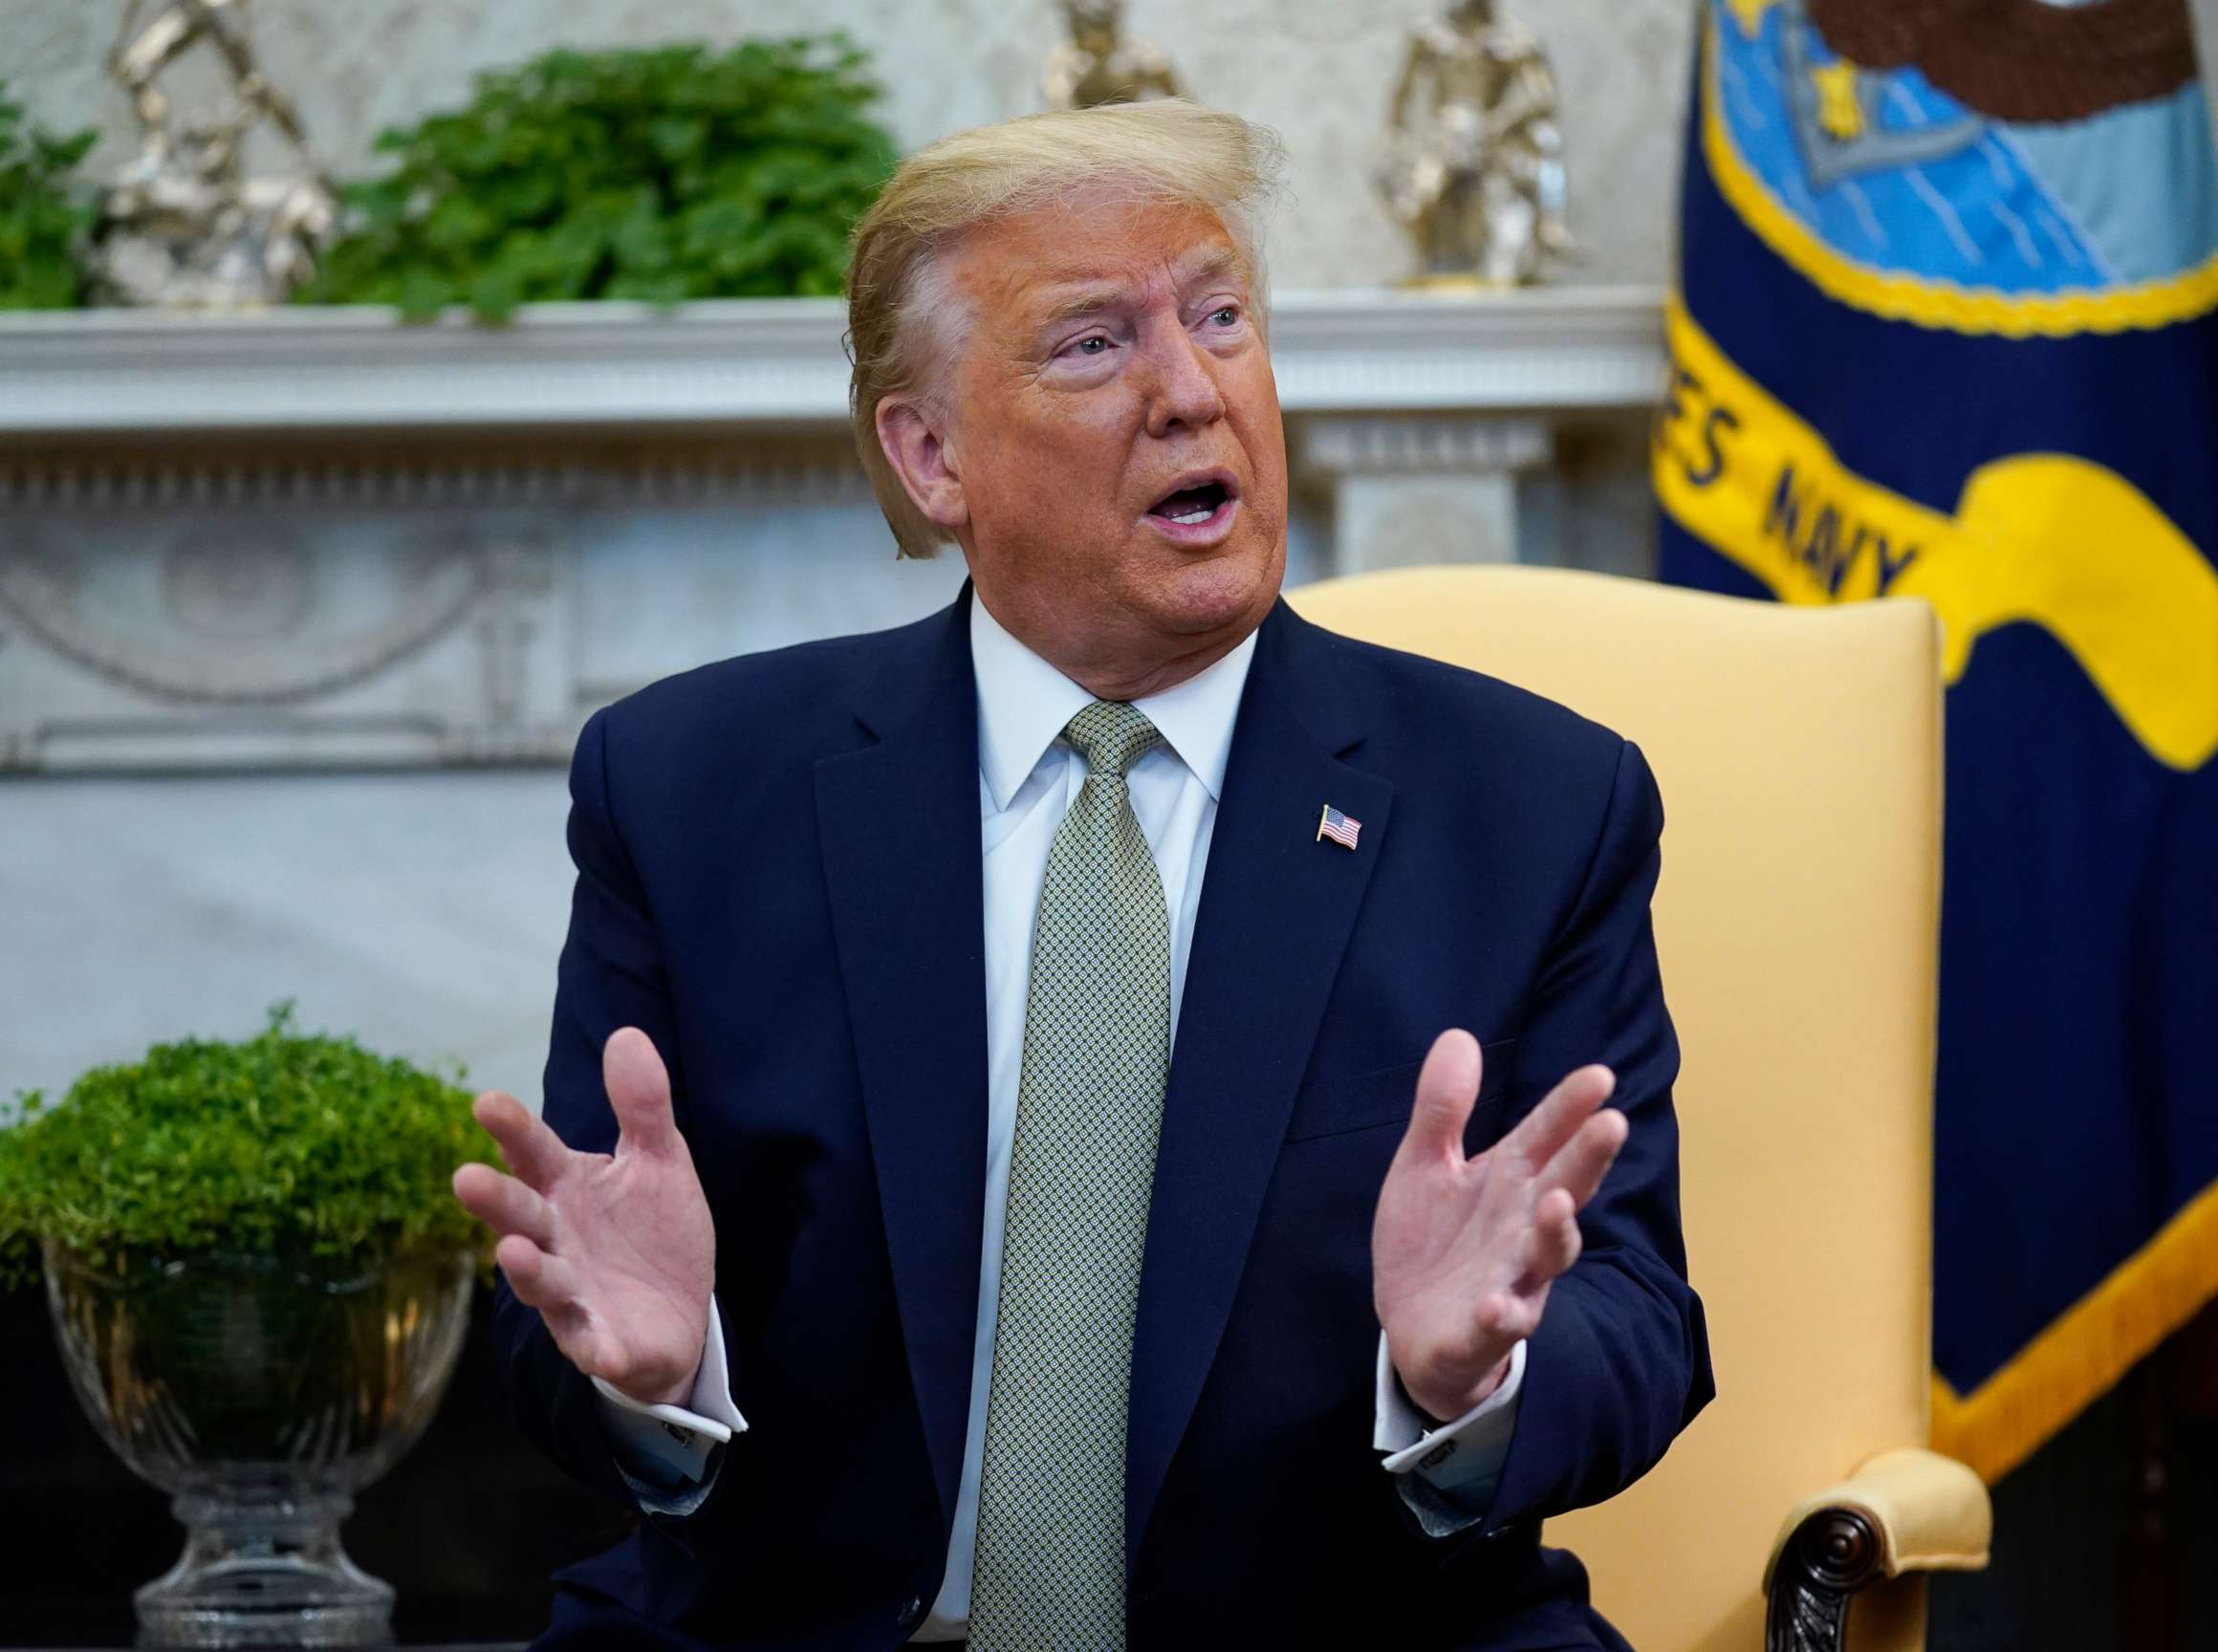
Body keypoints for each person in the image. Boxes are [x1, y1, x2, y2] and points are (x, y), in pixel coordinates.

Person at [450, 98, 1711, 1652]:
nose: (1192, 391)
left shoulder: (1530, 805)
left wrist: (1470, 1383)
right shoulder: (694, 791)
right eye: (1094, 344)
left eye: (1220, 315)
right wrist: (652, 1379)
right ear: (931, 457)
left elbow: (1642, 1319)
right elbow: (574, 1302)